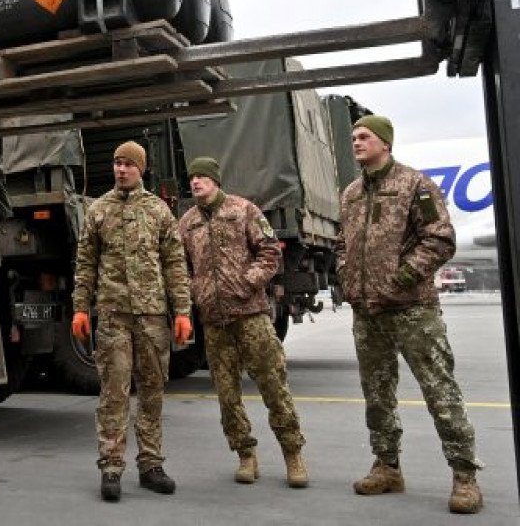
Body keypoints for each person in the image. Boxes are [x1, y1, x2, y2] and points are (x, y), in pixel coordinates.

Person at [336, 114, 483, 514]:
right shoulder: (349, 193)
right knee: (377, 396)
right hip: (368, 314)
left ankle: (465, 475)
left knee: (440, 391)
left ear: (385, 142)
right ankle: (387, 467)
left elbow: (440, 239)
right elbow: (341, 243)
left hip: (412, 310)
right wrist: (346, 274)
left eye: (364, 136)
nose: (356, 141)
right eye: (353, 137)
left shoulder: (414, 184)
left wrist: (400, 279)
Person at [71, 141, 193, 502]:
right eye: (116, 163)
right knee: (114, 393)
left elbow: (175, 265)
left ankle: (151, 465)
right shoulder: (97, 210)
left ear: (141, 169)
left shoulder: (158, 211)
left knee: (152, 392)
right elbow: (85, 263)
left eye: (128, 164)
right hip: (112, 316)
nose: (120, 169)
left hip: (153, 316)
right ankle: (111, 467)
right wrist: (80, 307)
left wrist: (183, 312)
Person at [177, 156, 308, 488]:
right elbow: (180, 265)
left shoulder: (243, 210)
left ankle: (292, 455)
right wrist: (196, 291)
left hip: (250, 316)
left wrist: (249, 282)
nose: (195, 183)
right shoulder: (188, 222)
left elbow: (269, 251)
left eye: (202, 177)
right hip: (214, 321)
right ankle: (245, 456)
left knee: (273, 384)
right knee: (227, 395)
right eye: (192, 178)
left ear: (216, 181)